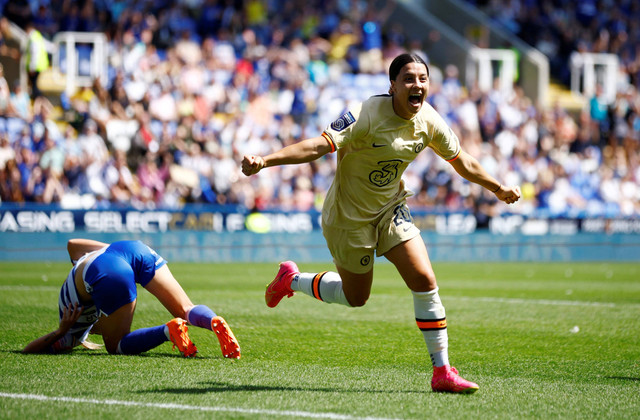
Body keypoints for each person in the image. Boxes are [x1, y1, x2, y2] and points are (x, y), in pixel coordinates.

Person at [242, 53, 521, 394]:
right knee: (355, 297)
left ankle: (443, 371)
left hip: (390, 208)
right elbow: (318, 146)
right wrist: (264, 161)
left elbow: (461, 161)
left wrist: (498, 188)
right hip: (348, 217)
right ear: (392, 86)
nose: (416, 85)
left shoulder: (429, 120)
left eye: (422, 78)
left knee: (424, 278)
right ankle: (293, 280)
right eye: (408, 78)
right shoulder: (366, 114)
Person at [22, 239, 241, 359]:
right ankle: (212, 320)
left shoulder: (73, 333)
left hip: (108, 268)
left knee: (115, 345)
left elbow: (28, 351)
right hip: (128, 248)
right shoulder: (76, 272)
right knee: (185, 308)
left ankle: (168, 331)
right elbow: (72, 244)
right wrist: (104, 252)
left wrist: (61, 331)